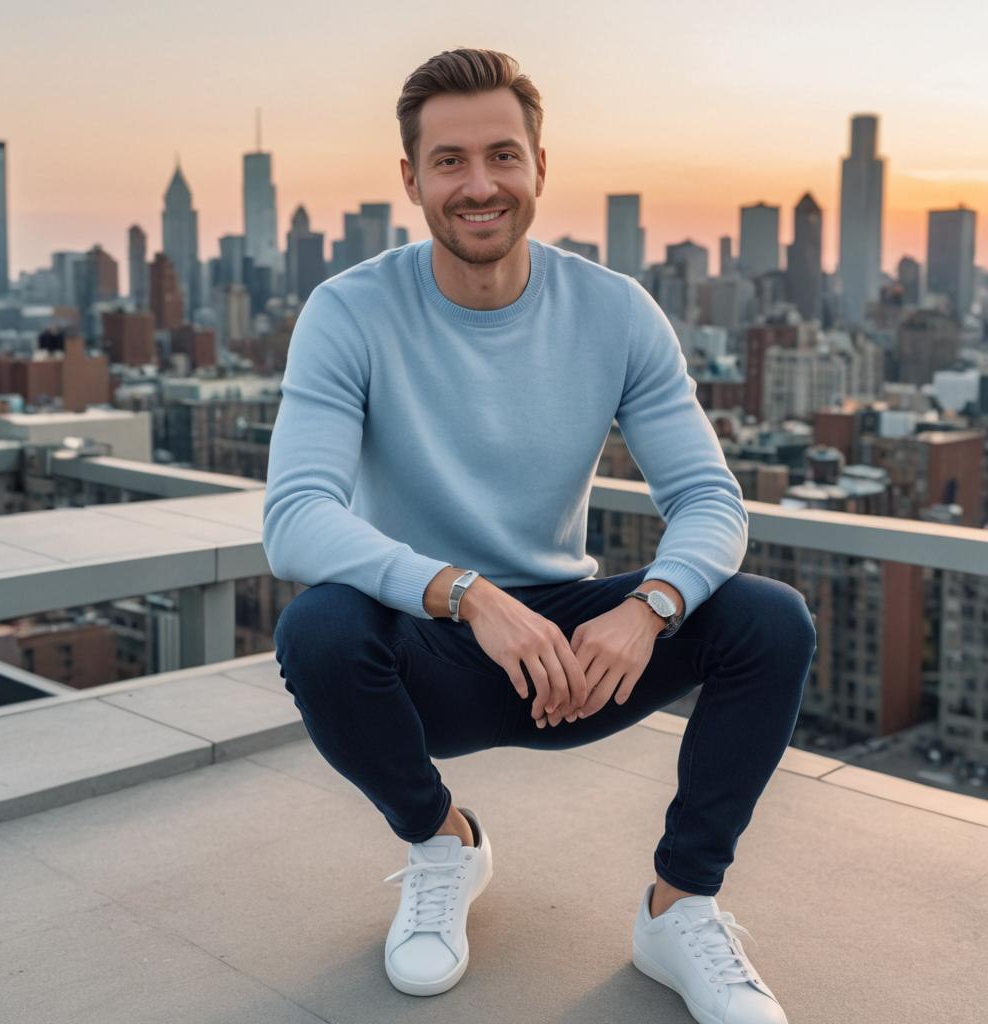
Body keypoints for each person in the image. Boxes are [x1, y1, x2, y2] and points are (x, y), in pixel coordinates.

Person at [264, 46, 817, 1024]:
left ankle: (678, 908)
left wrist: (649, 610)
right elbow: (295, 518)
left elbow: (709, 499)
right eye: (449, 162)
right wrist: (466, 594)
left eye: (502, 156)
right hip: (429, 648)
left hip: (576, 652)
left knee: (769, 620)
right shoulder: (347, 311)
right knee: (320, 628)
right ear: (411, 179)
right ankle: (441, 842)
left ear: (539, 167)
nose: (479, 186)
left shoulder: (614, 312)